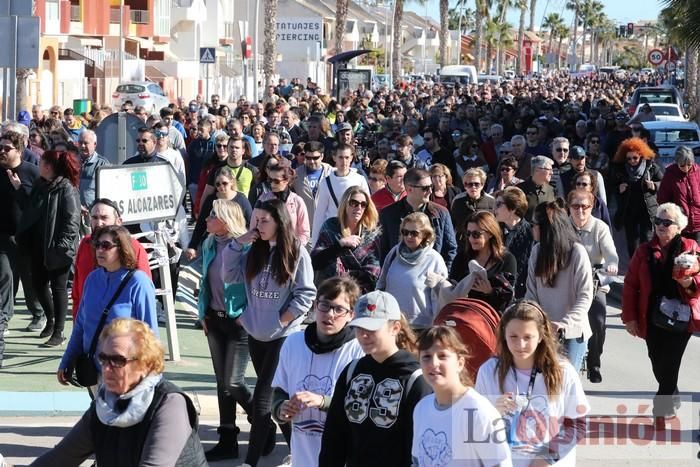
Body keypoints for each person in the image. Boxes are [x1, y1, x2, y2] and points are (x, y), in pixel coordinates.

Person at [33, 318, 207, 466]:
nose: (106, 369)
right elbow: (60, 458)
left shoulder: (169, 404)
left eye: (117, 360)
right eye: (103, 359)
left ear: (146, 364)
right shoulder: (104, 405)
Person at [223, 198, 316, 467]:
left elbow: (306, 293)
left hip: (283, 337)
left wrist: (283, 318)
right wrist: (238, 242)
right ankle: (297, 451)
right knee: (278, 402)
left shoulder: (296, 251)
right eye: (256, 220)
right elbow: (229, 275)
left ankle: (250, 462)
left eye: (264, 220)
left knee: (263, 399)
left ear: (279, 221)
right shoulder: (254, 249)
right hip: (256, 334)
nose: (258, 225)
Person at [319, 290, 432, 467]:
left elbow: (418, 445)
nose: (363, 335)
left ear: (395, 327)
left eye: (372, 328)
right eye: (359, 327)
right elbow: (334, 434)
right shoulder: (352, 371)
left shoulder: (415, 378)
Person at [475, 300, 590, 466]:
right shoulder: (489, 371)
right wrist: (491, 411)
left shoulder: (563, 371)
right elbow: (474, 427)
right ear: (503, 334)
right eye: (513, 336)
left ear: (541, 336)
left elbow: (577, 425)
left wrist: (546, 457)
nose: (520, 344)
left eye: (528, 337)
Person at [271, 277, 365, 467]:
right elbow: (278, 391)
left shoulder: (358, 350)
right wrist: (281, 408)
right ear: (315, 306)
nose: (330, 314)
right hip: (302, 454)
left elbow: (360, 407)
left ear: (351, 315)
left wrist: (323, 401)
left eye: (339, 309)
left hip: (342, 455)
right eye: (325, 305)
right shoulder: (293, 343)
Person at [622, 202, 700, 425]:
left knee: (671, 363)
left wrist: (689, 283)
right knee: (658, 363)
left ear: (679, 226)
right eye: (658, 221)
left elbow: (699, 281)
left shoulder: (691, 247)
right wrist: (630, 317)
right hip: (652, 317)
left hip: (682, 318)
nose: (661, 226)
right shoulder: (644, 250)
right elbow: (630, 285)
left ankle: (661, 408)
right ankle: (672, 394)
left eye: (667, 222)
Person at [57, 225, 158, 386]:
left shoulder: (139, 283)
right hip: (93, 371)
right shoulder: (92, 279)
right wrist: (67, 360)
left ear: (122, 248)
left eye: (106, 246)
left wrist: (150, 379)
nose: (99, 250)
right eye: (97, 245)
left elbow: (150, 335)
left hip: (125, 374)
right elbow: (81, 326)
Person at [197, 200, 253, 461]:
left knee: (234, 381)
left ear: (225, 219)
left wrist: (247, 314)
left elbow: (253, 284)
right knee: (222, 384)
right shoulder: (209, 244)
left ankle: (262, 420)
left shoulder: (246, 246)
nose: (206, 219)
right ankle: (228, 439)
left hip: (237, 323)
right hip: (214, 320)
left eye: (212, 215)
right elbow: (204, 283)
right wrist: (202, 314)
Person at [412, 326, 511, 466]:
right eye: (426, 357)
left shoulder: (477, 411)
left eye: (442, 356)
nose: (434, 363)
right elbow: (417, 462)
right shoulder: (421, 409)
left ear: (460, 363)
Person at [13, 150, 81, 346]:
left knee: (59, 288)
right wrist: (19, 189)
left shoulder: (66, 188)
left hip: (57, 247)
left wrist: (62, 247)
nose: (38, 165)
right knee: (38, 285)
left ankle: (58, 331)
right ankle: (50, 319)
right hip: (38, 245)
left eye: (41, 162)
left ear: (49, 166)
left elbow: (72, 221)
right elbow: (31, 209)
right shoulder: (40, 184)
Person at [525, 201, 593, 371]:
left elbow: (585, 295)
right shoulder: (537, 251)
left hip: (573, 333)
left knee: (566, 388)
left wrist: (564, 323)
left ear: (547, 227)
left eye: (534, 224)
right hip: (543, 332)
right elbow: (531, 294)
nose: (531, 228)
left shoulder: (577, 252)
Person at [567, 189, 618, 383]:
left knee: (598, 320)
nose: (580, 211)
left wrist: (611, 265)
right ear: (569, 207)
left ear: (592, 207)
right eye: (575, 206)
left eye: (585, 206)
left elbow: (611, 253)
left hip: (594, 283)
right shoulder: (562, 227)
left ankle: (594, 362)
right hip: (567, 283)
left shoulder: (600, 228)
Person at [71, 199, 152, 319]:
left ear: (119, 221)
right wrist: (77, 321)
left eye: (104, 217)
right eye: (94, 217)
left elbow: (144, 296)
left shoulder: (134, 248)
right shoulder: (85, 244)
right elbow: (77, 292)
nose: (99, 223)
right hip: (88, 327)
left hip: (120, 328)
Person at [377, 212, 448, 331]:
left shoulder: (434, 259)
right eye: (405, 232)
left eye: (414, 233)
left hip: (421, 328)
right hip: (393, 324)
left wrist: (437, 328)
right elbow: (381, 284)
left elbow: (440, 297)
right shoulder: (394, 253)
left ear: (425, 234)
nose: (409, 237)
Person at [379, 168, 457, 270]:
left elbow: (450, 249)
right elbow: (383, 250)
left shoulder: (441, 213)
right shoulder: (388, 214)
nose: (430, 191)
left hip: (433, 276)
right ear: (410, 189)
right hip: (399, 275)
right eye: (425, 188)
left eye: (431, 187)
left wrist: (443, 276)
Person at [311, 187, 382, 293]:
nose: (358, 208)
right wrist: (340, 244)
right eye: (354, 203)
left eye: (363, 205)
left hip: (359, 294)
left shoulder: (370, 234)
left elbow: (373, 272)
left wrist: (348, 276)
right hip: (329, 291)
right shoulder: (331, 226)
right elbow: (316, 261)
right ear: (345, 204)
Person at [450, 211, 517, 313]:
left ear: (490, 233)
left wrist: (489, 291)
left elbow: (508, 298)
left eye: (476, 234)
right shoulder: (462, 258)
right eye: (468, 234)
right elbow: (452, 289)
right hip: (462, 317)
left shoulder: (507, 260)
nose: (471, 238)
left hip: (491, 320)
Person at [611, 137, 664, 258]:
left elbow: (663, 182)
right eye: (629, 158)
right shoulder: (620, 169)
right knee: (632, 241)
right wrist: (618, 188)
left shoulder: (651, 167)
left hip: (647, 209)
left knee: (646, 238)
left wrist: (654, 185)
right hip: (628, 210)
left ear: (641, 155)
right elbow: (612, 185)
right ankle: (634, 264)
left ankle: (647, 263)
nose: (632, 161)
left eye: (635, 157)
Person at [186, 167, 253, 260]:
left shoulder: (241, 200)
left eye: (224, 183)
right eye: (218, 184)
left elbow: (251, 224)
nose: (221, 186)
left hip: (236, 245)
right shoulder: (211, 200)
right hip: (213, 244)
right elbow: (201, 224)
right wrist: (193, 246)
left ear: (232, 182)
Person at [312, 143, 370, 246]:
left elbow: (367, 208)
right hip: (333, 230)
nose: (344, 161)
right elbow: (319, 214)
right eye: (341, 157)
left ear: (352, 157)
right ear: (334, 158)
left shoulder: (359, 179)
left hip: (355, 230)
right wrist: (315, 243)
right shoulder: (326, 182)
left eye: (347, 157)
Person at [250, 159, 310, 246]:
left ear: (287, 181)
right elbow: (253, 228)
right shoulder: (263, 199)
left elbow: (304, 233)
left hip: (290, 251)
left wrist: (295, 248)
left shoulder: (297, 201)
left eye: (276, 181)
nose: (272, 184)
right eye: (270, 180)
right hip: (267, 251)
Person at [494, 187, 533, 299]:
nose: (494, 208)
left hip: (522, 293)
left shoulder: (531, 233)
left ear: (513, 208)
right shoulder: (494, 231)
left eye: (499, 204)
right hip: (497, 291)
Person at [657, 146, 700, 242]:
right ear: (677, 163)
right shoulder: (670, 174)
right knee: (681, 254)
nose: (686, 168)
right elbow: (662, 199)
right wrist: (673, 212)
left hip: (697, 223)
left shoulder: (697, 172)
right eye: (682, 165)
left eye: (689, 165)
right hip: (679, 224)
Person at [291, 141, 333, 228]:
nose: (312, 161)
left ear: (322, 156)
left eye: (315, 158)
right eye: (308, 158)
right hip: (305, 226)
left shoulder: (331, 173)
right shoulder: (296, 174)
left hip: (327, 226)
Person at [449, 168, 496, 243]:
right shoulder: (458, 201)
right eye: (470, 184)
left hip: (485, 242)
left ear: (482, 185)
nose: (473, 187)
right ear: (465, 186)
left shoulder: (491, 201)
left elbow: (495, 225)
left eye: (476, 184)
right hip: (464, 242)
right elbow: (452, 225)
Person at [516, 156, 556, 222]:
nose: (552, 173)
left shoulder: (551, 190)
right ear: (537, 170)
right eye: (549, 169)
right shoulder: (519, 190)